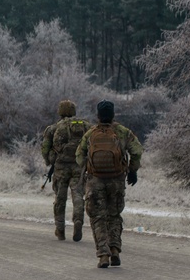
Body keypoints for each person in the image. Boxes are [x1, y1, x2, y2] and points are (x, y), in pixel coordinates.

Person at [75, 100, 143, 268]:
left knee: (97, 217)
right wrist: (132, 170)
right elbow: (137, 150)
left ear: (98, 116)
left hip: (95, 180)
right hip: (117, 181)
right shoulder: (122, 132)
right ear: (113, 115)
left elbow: (79, 155)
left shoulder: (91, 133)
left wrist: (88, 167)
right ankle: (115, 250)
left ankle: (103, 255)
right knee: (114, 215)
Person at [41, 100, 89, 241]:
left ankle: (60, 229)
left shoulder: (54, 128)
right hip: (79, 166)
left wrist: (49, 161)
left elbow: (45, 148)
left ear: (60, 111)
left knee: (60, 198)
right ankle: (78, 220)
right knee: (78, 195)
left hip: (60, 167)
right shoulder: (85, 126)